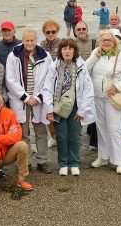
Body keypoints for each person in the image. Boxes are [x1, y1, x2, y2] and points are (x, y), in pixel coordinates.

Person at [43, 39, 96, 176]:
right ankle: (63, 163)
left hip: (76, 106)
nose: (67, 51)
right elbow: (47, 88)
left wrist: (83, 109)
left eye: (70, 49)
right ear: (60, 51)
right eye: (64, 49)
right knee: (61, 136)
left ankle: (74, 163)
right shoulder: (54, 66)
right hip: (59, 107)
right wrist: (49, 109)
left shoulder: (81, 66)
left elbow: (88, 90)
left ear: (74, 51)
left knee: (75, 136)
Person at [86, 30, 121, 174]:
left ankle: (120, 161)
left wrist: (117, 87)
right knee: (101, 128)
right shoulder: (96, 53)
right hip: (97, 97)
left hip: (113, 98)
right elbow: (84, 69)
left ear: (115, 41)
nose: (106, 42)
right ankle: (103, 157)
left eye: (109, 40)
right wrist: (95, 56)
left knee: (115, 129)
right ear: (99, 42)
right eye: (103, 40)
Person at [6, 29, 54, 173]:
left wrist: (38, 97)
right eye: (26, 40)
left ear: (36, 40)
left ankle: (42, 160)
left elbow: (49, 78)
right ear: (22, 40)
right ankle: (24, 162)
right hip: (21, 101)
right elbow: (10, 79)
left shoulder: (45, 56)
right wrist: (26, 97)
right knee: (23, 133)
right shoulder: (13, 56)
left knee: (41, 131)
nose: (29, 43)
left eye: (32, 40)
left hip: (39, 100)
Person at [73, 21, 99, 151]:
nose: (82, 31)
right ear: (75, 31)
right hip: (77, 83)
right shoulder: (71, 44)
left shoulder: (95, 43)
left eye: (84, 28)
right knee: (77, 110)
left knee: (94, 111)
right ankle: (75, 137)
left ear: (87, 29)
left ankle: (94, 142)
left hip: (93, 81)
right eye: (79, 29)